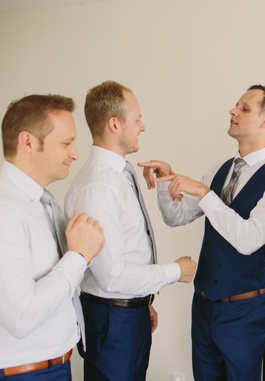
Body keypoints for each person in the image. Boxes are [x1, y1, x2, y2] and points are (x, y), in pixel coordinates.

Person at [140, 85, 265, 381]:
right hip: (203, 305)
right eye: (235, 105)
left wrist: (203, 192)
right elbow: (177, 217)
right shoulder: (219, 171)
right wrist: (166, 181)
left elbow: (248, 240)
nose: (232, 111)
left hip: (244, 311)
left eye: (244, 108)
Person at [0, 94, 105, 380]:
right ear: (28, 142)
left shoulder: (41, 203)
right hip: (17, 375)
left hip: (53, 367)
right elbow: (21, 316)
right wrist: (79, 256)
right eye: (66, 143)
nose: (75, 153)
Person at [65, 81, 198, 381]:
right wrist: (176, 271)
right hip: (114, 320)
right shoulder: (98, 186)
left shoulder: (121, 173)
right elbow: (111, 276)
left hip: (128, 313)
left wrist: (143, 303)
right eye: (137, 119)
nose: (143, 126)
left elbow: (128, 250)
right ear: (115, 124)